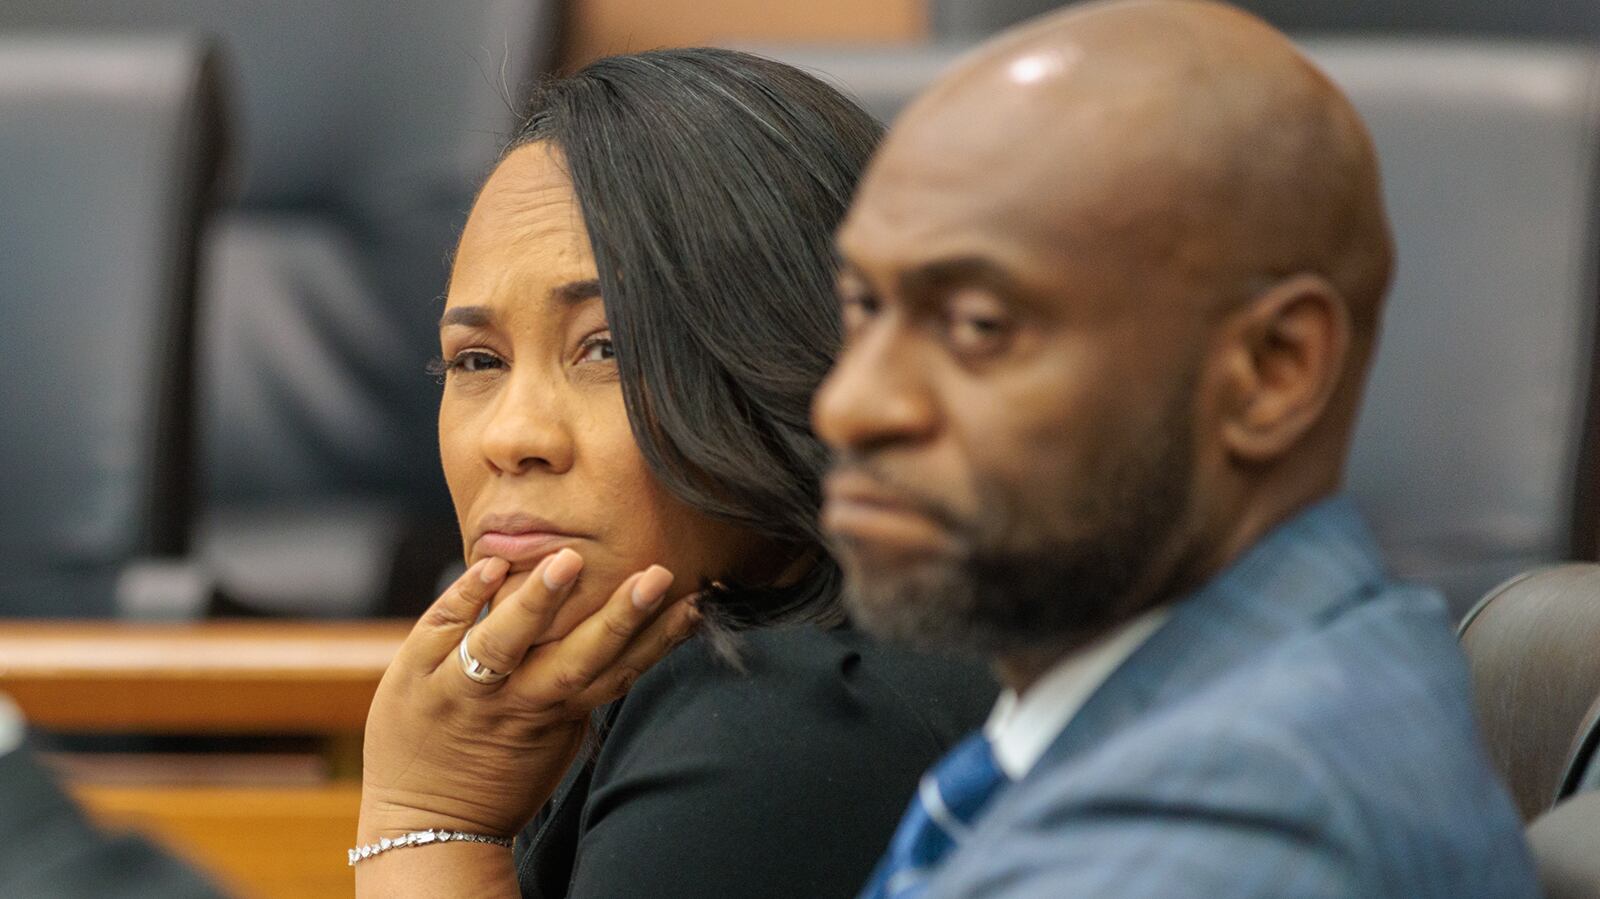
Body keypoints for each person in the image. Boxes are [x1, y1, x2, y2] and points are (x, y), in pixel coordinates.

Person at [813, 1, 1539, 897]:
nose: (849, 406)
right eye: (865, 307)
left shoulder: (1232, 830)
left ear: (1272, 370)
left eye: (978, 326)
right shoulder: (1217, 697)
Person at [356, 49, 995, 899]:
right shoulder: (680, 674)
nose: (510, 436)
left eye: (607, 346)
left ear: (795, 362)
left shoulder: (783, 723)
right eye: (477, 360)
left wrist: (426, 821)